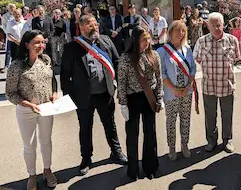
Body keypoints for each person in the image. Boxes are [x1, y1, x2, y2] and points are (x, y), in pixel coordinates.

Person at [60, 14, 128, 175]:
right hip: (83, 97)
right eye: (90, 25)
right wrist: (71, 97)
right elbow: (64, 76)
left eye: (96, 25)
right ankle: (86, 158)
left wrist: (117, 85)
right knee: (85, 128)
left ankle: (116, 152)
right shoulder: (72, 47)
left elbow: (117, 63)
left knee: (110, 124)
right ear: (82, 27)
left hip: (105, 93)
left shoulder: (105, 40)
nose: (95, 28)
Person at [5, 30, 58, 190]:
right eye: (36, 42)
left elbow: (52, 80)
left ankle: (47, 170)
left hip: (46, 109)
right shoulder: (17, 66)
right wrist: (29, 105)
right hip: (26, 110)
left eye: (42, 42)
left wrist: (55, 93)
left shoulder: (46, 60)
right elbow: (10, 93)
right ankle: (32, 175)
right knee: (29, 145)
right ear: (27, 44)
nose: (41, 45)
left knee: (46, 141)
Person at [117, 26, 163, 180]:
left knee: (150, 133)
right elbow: (121, 82)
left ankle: (150, 167)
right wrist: (123, 104)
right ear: (135, 41)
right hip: (133, 99)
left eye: (148, 39)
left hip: (149, 98)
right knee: (132, 135)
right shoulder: (125, 58)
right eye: (144, 40)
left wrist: (160, 97)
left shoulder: (154, 55)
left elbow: (159, 78)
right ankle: (133, 169)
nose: (147, 42)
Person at [193, 12, 240, 153]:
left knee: (227, 114)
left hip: (227, 85)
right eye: (213, 25)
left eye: (219, 25)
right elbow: (197, 59)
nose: (216, 28)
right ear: (208, 26)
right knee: (210, 115)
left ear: (223, 24)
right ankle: (211, 141)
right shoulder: (201, 41)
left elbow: (237, 57)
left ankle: (227, 140)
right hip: (209, 85)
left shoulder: (232, 40)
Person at [157, 20, 197, 161]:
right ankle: (172, 147)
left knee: (186, 119)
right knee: (171, 121)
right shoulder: (162, 51)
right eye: (178, 30)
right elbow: (162, 73)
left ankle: (184, 145)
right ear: (170, 32)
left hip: (187, 91)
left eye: (183, 31)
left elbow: (193, 68)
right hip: (171, 93)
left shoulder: (187, 49)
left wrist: (187, 86)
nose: (181, 33)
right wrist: (174, 89)